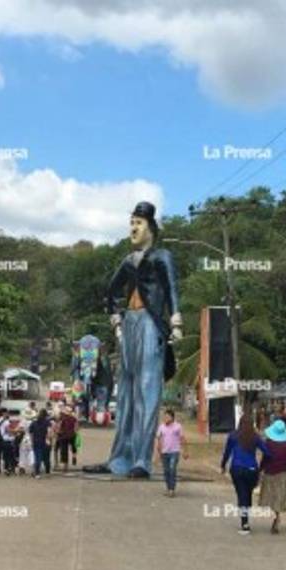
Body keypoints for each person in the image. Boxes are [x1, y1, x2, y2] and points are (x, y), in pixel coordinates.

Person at [86, 201, 182, 478]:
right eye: (131, 223)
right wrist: (116, 319)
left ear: (150, 227)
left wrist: (176, 321)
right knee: (126, 392)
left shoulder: (162, 256)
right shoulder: (129, 261)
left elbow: (171, 288)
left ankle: (141, 460)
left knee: (147, 389)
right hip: (129, 322)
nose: (133, 228)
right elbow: (111, 292)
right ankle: (119, 459)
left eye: (138, 223)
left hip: (151, 323)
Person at [220, 408, 271, 535]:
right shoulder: (255, 437)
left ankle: (245, 523)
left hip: (237, 469)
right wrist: (262, 466)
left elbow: (227, 452)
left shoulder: (233, 436)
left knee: (241, 494)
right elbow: (267, 452)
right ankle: (246, 516)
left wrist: (223, 465)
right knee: (247, 494)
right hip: (252, 470)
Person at [260, 419, 286, 534]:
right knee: (280, 497)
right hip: (283, 473)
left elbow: (265, 458)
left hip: (270, 472)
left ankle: (276, 516)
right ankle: (277, 515)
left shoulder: (268, 443)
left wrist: (260, 469)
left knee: (271, 496)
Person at [154, 408, 187, 497]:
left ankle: (172, 489)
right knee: (166, 471)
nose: (165, 418)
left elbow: (182, 439)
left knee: (172, 469)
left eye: (167, 417)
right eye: (164, 417)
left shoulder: (178, 426)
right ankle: (168, 488)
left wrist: (185, 451)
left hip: (174, 452)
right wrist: (157, 454)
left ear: (172, 418)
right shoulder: (161, 427)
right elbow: (159, 440)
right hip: (164, 452)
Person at [30, 408, 51, 478]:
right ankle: (47, 472)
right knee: (46, 457)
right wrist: (48, 440)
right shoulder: (47, 422)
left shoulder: (34, 422)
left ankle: (37, 473)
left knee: (37, 458)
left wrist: (32, 441)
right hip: (45, 442)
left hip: (36, 442)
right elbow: (49, 432)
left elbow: (31, 433)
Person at [57, 404, 79, 470]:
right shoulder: (74, 419)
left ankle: (65, 465)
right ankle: (74, 456)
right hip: (72, 435)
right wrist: (75, 433)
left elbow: (59, 427)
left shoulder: (62, 419)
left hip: (64, 436)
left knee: (64, 450)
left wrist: (58, 432)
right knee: (73, 447)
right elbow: (76, 427)